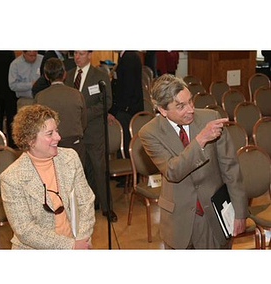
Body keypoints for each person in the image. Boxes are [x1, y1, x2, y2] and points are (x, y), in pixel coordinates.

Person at [139, 74, 248, 249]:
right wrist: (200, 140)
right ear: (162, 110)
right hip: (178, 220)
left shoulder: (210, 118)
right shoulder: (149, 132)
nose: (190, 109)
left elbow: (231, 169)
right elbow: (173, 171)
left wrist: (240, 212)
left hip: (214, 216)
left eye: (190, 101)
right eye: (180, 106)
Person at [0, 104, 95, 249]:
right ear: (30, 140)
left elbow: (86, 201)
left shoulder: (70, 157)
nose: (58, 137)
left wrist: (82, 239)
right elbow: (25, 230)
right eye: (50, 134)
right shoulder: (12, 178)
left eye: (56, 130)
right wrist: (71, 246)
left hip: (76, 242)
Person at [65, 51, 117, 222]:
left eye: (81, 53)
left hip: (94, 131)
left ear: (89, 55)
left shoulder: (100, 76)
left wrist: (83, 114)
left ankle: (107, 207)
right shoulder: (69, 75)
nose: (77, 57)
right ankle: (89, 203)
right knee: (82, 170)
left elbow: (106, 102)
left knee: (99, 168)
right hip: (74, 133)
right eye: (75, 54)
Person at [34, 57, 87, 165]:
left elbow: (36, 126)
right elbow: (83, 122)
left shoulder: (40, 97)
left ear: (46, 76)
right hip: (74, 145)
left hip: (49, 147)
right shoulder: (77, 94)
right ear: (64, 74)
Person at [108, 51, 144, 158]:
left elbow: (126, 89)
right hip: (126, 108)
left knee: (126, 147)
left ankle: (127, 172)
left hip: (127, 110)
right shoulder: (126, 56)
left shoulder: (129, 57)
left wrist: (114, 111)